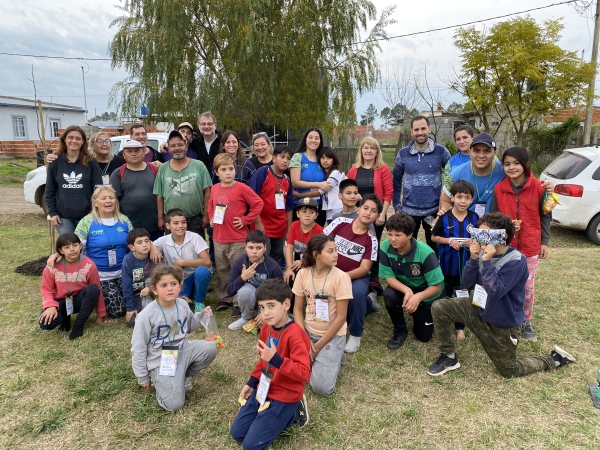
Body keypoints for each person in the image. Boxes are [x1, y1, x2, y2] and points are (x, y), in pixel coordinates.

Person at [426, 212, 576, 378]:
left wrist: (487, 262)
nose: (480, 238)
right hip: (480, 309)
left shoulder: (516, 260)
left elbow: (496, 291)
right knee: (439, 307)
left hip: (503, 322)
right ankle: (449, 357)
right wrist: (474, 259)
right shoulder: (484, 253)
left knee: (509, 370)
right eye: (478, 233)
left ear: (502, 236)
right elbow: (468, 284)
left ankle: (554, 359)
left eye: (485, 234)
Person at [230, 278, 311, 449]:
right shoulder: (266, 327)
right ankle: (279, 415)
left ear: (286, 304)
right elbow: (263, 361)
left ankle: (293, 410)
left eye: (271, 305)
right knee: (237, 433)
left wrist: (277, 359)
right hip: (264, 389)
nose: (265, 312)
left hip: (284, 394)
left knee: (251, 446)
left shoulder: (296, 334)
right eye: (262, 307)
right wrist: (251, 382)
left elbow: (304, 373)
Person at [131, 265, 218, 412]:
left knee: (210, 347)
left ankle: (184, 376)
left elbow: (189, 325)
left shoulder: (183, 304)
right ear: (154, 290)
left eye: (173, 284)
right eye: (163, 285)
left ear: (180, 286)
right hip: (160, 360)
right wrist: (143, 377)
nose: (170, 288)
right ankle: (160, 382)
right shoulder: (146, 316)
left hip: (182, 348)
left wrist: (201, 315)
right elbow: (138, 347)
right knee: (174, 405)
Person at [490, 147, 551, 342]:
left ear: (526, 164)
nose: (512, 167)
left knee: (527, 285)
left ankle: (526, 321)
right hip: (506, 247)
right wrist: (505, 228)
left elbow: (546, 216)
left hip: (531, 246)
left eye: (516, 163)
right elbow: (493, 220)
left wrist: (545, 242)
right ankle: (506, 318)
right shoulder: (499, 189)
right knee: (505, 283)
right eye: (507, 164)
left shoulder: (540, 188)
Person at [293, 234, 352, 395]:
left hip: (331, 335)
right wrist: (303, 339)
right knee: (287, 371)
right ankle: (327, 358)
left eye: (336, 250)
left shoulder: (341, 277)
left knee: (321, 389)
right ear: (316, 254)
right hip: (306, 333)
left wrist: (317, 347)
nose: (336, 255)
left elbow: (341, 318)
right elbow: (297, 310)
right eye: (330, 251)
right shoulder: (303, 274)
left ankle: (333, 355)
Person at [323, 194, 382, 353]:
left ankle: (356, 334)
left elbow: (365, 268)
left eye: (374, 211)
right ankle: (369, 302)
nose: (368, 213)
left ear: (377, 217)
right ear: (358, 209)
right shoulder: (340, 222)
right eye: (365, 208)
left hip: (356, 277)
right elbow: (321, 242)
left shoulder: (372, 240)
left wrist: (342, 277)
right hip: (330, 271)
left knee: (355, 294)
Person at [379, 213, 444, 349]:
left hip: (426, 291)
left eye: (398, 235)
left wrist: (418, 297)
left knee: (424, 337)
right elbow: (389, 278)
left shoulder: (426, 253)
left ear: (410, 235)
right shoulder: (385, 246)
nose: (392, 239)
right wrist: (407, 291)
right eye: (390, 234)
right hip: (404, 286)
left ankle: (420, 309)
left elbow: (436, 287)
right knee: (389, 294)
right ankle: (400, 330)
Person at [209, 153, 263, 311]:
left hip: (237, 238)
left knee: (239, 269)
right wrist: (212, 217)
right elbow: (211, 207)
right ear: (216, 172)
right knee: (223, 269)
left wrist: (246, 220)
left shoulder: (241, 188)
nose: (228, 172)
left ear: (236, 171)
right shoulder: (214, 188)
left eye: (231, 169)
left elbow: (258, 203)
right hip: (218, 238)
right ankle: (225, 297)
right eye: (224, 169)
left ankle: (239, 300)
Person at [72, 185, 133, 318]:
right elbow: (75, 247)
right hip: (100, 276)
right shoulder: (86, 222)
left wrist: (153, 246)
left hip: (123, 273)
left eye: (111, 198)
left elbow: (136, 242)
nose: (108, 201)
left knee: (134, 303)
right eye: (103, 198)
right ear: (95, 202)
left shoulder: (124, 220)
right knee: (118, 312)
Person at [393, 116, 451, 252]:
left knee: (434, 245)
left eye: (423, 128)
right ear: (412, 132)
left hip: (433, 211)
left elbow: (450, 177)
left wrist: (447, 204)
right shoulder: (403, 154)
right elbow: (396, 180)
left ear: (429, 129)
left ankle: (433, 271)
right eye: (416, 129)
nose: (420, 132)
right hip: (409, 211)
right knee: (407, 245)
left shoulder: (441, 152)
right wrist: (396, 205)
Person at [431, 180, 478, 340]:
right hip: (446, 265)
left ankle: (460, 327)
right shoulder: (444, 218)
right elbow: (434, 237)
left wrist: (474, 242)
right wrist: (449, 241)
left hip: (466, 268)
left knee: (462, 295)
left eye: (467, 197)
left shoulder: (474, 217)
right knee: (444, 294)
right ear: (452, 197)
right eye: (459, 197)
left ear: (472, 199)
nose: (463, 201)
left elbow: (480, 239)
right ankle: (441, 322)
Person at [347, 137, 393, 293]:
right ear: (361, 150)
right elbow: (347, 191)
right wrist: (354, 199)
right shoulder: (354, 169)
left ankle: (373, 280)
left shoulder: (383, 169)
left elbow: (388, 193)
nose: (368, 150)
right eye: (365, 147)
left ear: (376, 151)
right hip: (357, 214)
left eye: (372, 148)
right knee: (357, 244)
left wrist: (382, 214)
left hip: (375, 215)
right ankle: (357, 273)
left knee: (373, 246)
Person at [39, 232, 106, 340]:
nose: (72, 249)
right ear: (61, 251)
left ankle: (78, 326)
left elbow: (98, 289)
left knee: (93, 289)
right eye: (67, 247)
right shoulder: (52, 266)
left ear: (80, 246)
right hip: (60, 302)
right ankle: (65, 319)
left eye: (75, 245)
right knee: (46, 323)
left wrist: (101, 314)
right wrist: (50, 306)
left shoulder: (89, 265)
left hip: (78, 301)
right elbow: (46, 290)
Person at [45, 125, 103, 235]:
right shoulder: (55, 161)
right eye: (70, 137)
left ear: (82, 142)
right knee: (70, 249)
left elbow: (98, 190)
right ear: (64, 140)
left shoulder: (91, 162)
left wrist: (94, 212)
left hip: (87, 215)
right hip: (63, 217)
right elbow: (50, 190)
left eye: (78, 138)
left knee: (87, 249)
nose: (74, 141)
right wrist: (52, 213)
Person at [152, 209, 212, 313]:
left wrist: (183, 262)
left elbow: (207, 261)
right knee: (180, 301)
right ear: (167, 225)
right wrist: (153, 247)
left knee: (201, 272)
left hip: (196, 274)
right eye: (176, 223)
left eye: (183, 222)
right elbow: (150, 243)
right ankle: (192, 292)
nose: (181, 226)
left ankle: (199, 301)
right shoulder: (164, 240)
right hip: (180, 279)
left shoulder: (194, 237)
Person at [153, 130, 213, 235]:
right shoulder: (163, 168)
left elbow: (207, 191)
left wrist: (206, 215)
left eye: (180, 144)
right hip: (172, 221)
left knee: (196, 251)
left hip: (195, 220)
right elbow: (159, 196)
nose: (177, 148)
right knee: (172, 251)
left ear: (186, 146)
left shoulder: (199, 166)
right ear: (168, 148)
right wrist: (160, 218)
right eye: (173, 146)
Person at [226, 231, 284, 330]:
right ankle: (246, 317)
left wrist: (265, 311)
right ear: (245, 247)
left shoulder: (273, 265)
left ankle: (262, 316)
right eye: (251, 248)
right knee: (245, 291)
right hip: (249, 296)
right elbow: (229, 291)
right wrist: (243, 278)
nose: (254, 252)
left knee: (265, 327)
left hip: (267, 299)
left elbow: (281, 292)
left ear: (265, 248)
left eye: (258, 248)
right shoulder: (239, 262)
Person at [248, 146, 294, 266]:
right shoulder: (263, 173)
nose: (285, 161)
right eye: (282, 157)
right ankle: (261, 284)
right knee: (262, 257)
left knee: (276, 259)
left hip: (279, 226)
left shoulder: (287, 181)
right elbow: (252, 199)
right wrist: (258, 223)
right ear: (273, 158)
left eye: (288, 158)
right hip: (262, 225)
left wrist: (288, 229)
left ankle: (273, 283)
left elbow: (289, 208)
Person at [439, 132, 505, 218]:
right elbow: (445, 200)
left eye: (487, 151)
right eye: (477, 151)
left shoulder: (504, 171)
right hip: (464, 226)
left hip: (493, 227)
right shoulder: (456, 174)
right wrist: (451, 221)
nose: (481, 155)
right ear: (470, 152)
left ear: (494, 153)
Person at [109, 140, 162, 241]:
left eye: (137, 151)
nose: (133, 153)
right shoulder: (118, 173)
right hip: (129, 227)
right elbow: (114, 202)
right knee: (133, 255)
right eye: (129, 151)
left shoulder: (155, 170)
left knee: (156, 255)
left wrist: (161, 219)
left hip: (155, 226)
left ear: (143, 153)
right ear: (124, 155)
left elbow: (162, 196)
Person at [290, 128, 329, 226]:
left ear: (320, 141)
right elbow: (295, 182)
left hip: (319, 205)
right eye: (310, 137)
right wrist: (319, 184)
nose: (313, 140)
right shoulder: (297, 157)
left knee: (317, 238)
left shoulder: (322, 158)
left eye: (317, 138)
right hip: (300, 204)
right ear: (305, 140)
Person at [283, 198, 324, 286]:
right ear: (297, 214)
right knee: (289, 278)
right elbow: (289, 248)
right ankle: (292, 299)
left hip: (313, 264)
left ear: (316, 215)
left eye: (311, 212)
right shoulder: (294, 225)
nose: (307, 215)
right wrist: (289, 268)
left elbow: (319, 256)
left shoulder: (320, 231)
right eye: (304, 211)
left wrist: (303, 262)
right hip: (298, 263)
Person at [122, 228, 156, 328]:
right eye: (140, 243)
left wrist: (150, 288)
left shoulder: (156, 256)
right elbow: (126, 286)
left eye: (147, 241)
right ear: (132, 247)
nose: (145, 245)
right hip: (137, 295)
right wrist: (130, 308)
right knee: (133, 322)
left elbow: (163, 278)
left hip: (155, 293)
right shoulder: (128, 260)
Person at [441, 125, 475, 193]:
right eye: (458, 139)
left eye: (465, 137)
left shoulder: (485, 157)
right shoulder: (451, 162)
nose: (461, 142)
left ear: (473, 137)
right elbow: (447, 188)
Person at [189, 112, 221, 176]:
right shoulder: (194, 144)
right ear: (198, 126)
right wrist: (166, 144)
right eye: (203, 124)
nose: (206, 126)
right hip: (201, 184)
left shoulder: (223, 142)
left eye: (209, 124)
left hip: (221, 184)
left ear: (215, 125)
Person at [317, 147, 344, 222]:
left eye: (328, 158)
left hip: (336, 211)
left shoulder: (335, 173)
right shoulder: (325, 173)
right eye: (322, 158)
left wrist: (299, 195)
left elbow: (320, 191)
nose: (325, 160)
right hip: (330, 211)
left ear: (333, 159)